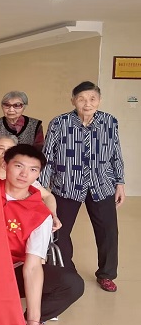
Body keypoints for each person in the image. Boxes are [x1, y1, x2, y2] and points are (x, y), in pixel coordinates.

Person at [40, 81, 125, 292]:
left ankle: (106, 274)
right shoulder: (59, 123)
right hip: (66, 185)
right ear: (73, 101)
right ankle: (66, 272)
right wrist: (42, 189)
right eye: (81, 99)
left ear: (99, 100)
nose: (87, 104)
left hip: (101, 184)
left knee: (108, 232)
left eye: (92, 99)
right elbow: (47, 156)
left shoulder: (110, 121)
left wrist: (120, 183)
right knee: (59, 231)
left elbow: (116, 154)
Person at [1, 144, 84, 325]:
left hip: (10, 273)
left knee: (72, 284)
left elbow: (32, 267)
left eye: (32, 169)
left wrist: (33, 321)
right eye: (18, 166)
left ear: (38, 174)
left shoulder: (40, 215)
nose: (24, 174)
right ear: (5, 165)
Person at [0, 134, 61, 230]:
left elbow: (48, 196)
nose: (5, 152)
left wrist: (53, 215)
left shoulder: (23, 179)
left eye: (10, 149)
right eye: (1, 148)